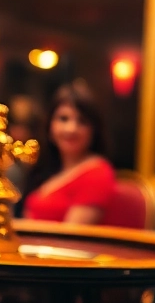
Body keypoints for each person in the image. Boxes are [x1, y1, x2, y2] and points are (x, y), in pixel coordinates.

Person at [21, 82, 116, 224]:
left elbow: (71, 236)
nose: (71, 128)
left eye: (82, 121)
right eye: (63, 119)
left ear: (94, 130)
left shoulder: (98, 173)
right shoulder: (46, 169)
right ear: (50, 126)